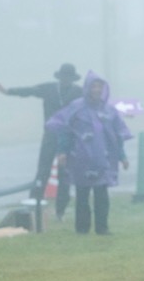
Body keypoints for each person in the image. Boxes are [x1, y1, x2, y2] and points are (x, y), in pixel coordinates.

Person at [45, 71, 132, 235]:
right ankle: (82, 229)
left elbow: (117, 135)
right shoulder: (76, 108)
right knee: (82, 195)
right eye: (94, 86)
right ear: (87, 88)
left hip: (102, 159)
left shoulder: (109, 111)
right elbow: (65, 130)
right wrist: (62, 152)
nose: (97, 90)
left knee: (102, 195)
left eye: (100, 86)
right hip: (81, 159)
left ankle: (102, 228)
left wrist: (122, 156)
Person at [0, 63, 84, 220]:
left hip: (70, 138)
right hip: (50, 136)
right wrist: (8, 91)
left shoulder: (78, 92)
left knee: (65, 176)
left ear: (72, 79)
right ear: (59, 77)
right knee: (43, 172)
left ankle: (60, 211)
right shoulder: (49, 89)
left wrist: (123, 112)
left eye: (69, 78)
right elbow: (29, 91)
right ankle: (32, 207)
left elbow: (97, 104)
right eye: (64, 77)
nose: (66, 80)